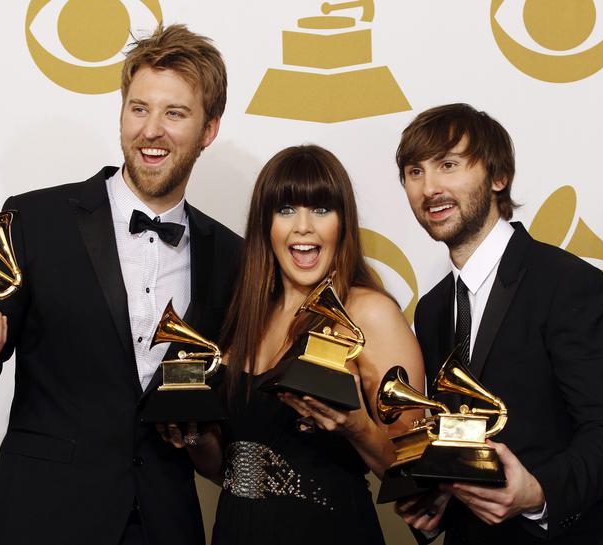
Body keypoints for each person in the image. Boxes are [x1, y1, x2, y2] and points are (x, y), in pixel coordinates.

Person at [0, 24, 242, 545]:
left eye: (174, 113)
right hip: (41, 515)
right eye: (139, 108)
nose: (151, 130)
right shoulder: (36, 218)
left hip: (162, 521)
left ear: (209, 130)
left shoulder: (231, 255)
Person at [392, 103, 603, 544]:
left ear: (498, 176)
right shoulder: (431, 309)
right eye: (414, 172)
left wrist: (538, 493)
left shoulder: (568, 283)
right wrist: (437, 505)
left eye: (448, 165)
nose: (430, 188)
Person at [160, 144, 425, 543]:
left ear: (343, 223)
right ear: (266, 226)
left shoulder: (369, 312)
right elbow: (226, 469)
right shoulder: (243, 317)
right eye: (285, 210)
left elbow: (416, 475)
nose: (304, 227)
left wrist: (356, 428)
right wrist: (194, 434)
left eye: (321, 209)